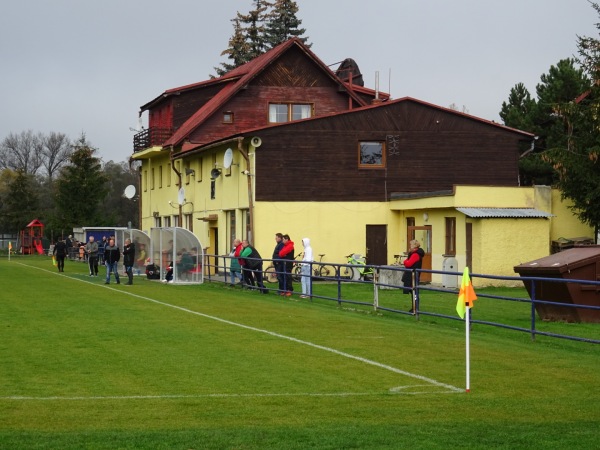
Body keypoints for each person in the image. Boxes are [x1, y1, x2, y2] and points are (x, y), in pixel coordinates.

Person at [402, 239, 425, 312]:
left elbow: (408, 263)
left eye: (411, 245)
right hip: (412, 275)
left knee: (414, 292)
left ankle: (415, 307)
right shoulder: (414, 254)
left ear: (414, 246)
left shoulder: (415, 255)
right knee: (413, 291)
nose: (409, 247)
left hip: (413, 275)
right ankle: (414, 307)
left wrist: (405, 261)